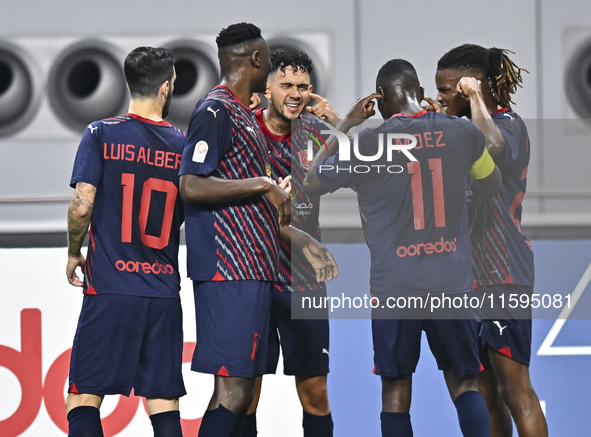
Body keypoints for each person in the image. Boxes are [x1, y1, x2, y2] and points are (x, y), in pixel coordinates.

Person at [304, 59, 502, 437]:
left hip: (394, 287)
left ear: (380, 102)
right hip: (452, 281)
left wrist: (345, 124)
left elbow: (311, 180)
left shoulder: (367, 144)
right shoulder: (461, 133)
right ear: (422, 93)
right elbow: (491, 185)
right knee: (464, 384)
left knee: (395, 392)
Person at [177, 23, 292, 437]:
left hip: (252, 270)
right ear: (257, 60)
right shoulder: (215, 110)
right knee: (233, 391)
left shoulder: (244, 114)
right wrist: (263, 185)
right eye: (269, 60)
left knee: (242, 392)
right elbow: (190, 184)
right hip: (229, 270)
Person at [65, 46, 186, 437]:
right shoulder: (183, 147)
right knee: (164, 403)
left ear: (129, 83)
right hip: (164, 291)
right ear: (167, 87)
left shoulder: (100, 133)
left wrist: (72, 253)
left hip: (111, 286)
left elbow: (82, 208)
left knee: (83, 400)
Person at [433, 44, 548, 437]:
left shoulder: (507, 124)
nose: (442, 97)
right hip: (465, 279)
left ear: (472, 89)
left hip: (502, 272)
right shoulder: (462, 132)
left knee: (515, 390)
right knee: (484, 394)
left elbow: (493, 147)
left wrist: (478, 98)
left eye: (449, 90)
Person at [245, 46, 340, 437]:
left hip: (304, 282)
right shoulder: (245, 129)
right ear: (266, 88)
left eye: (302, 86)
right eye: (286, 84)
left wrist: (339, 122)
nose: (295, 94)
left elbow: (373, 167)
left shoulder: (316, 133)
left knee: (316, 394)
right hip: (254, 277)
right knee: (245, 394)